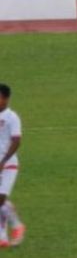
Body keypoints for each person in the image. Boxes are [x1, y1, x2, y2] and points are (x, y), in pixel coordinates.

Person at [0, 84, 25, 248]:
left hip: (8, 165)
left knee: (0, 199)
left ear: (6, 98)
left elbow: (16, 141)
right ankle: (2, 237)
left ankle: (17, 225)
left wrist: (3, 161)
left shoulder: (12, 117)